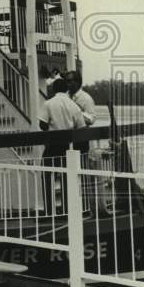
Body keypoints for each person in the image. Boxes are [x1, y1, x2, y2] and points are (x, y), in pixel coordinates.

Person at [39, 76, 89, 215]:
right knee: (67, 178)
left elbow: (42, 124)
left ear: (54, 89)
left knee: (47, 176)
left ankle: (50, 210)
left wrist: (52, 124)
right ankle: (67, 210)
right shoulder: (74, 106)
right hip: (68, 146)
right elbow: (81, 127)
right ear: (66, 89)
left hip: (52, 144)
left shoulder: (48, 103)